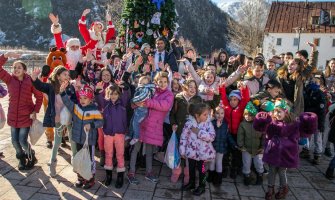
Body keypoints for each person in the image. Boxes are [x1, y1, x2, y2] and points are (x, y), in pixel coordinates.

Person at [253, 99, 317, 200]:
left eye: (279, 112)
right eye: (275, 111)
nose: (276, 114)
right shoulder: (272, 123)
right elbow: (261, 129)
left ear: (286, 112)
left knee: (282, 171)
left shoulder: (294, 124)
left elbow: (302, 134)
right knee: (272, 171)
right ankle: (270, 189)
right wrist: (263, 120)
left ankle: (284, 188)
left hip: (286, 154)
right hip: (273, 152)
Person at [127, 71, 174, 185]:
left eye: (165, 82)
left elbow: (164, 106)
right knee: (135, 149)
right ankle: (131, 172)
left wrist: (148, 102)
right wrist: (135, 103)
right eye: (160, 82)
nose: (162, 84)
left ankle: (149, 172)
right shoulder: (151, 90)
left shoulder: (169, 95)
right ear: (156, 82)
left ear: (168, 83)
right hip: (142, 124)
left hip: (153, 127)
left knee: (149, 151)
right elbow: (136, 100)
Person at [31, 66, 77, 177]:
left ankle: (75, 163)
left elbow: (75, 101)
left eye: (68, 75)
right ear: (57, 76)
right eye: (64, 74)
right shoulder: (51, 87)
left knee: (72, 139)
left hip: (70, 118)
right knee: (57, 141)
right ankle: (52, 163)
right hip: (57, 119)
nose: (67, 76)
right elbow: (40, 86)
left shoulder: (70, 87)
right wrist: (34, 78)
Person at [0, 52, 43, 170]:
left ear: (25, 70)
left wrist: (35, 111)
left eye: (19, 67)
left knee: (22, 141)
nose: (16, 69)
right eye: (14, 67)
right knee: (14, 142)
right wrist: (6, 55)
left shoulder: (30, 81)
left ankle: (31, 156)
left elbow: (39, 97)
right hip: (13, 116)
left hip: (26, 116)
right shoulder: (9, 79)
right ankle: (21, 159)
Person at [60, 83, 103, 189]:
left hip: (89, 140)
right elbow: (68, 103)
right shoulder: (77, 108)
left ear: (90, 99)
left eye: (85, 98)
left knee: (90, 159)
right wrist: (62, 92)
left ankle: (90, 178)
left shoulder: (94, 110)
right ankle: (80, 177)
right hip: (78, 139)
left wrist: (92, 125)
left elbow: (101, 122)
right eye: (81, 98)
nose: (82, 100)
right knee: (79, 158)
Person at [96, 83, 130, 188]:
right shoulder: (106, 103)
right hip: (108, 133)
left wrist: (126, 87)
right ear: (108, 94)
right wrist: (97, 91)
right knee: (108, 154)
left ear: (119, 94)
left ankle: (120, 176)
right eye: (111, 94)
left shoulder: (122, 103)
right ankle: (109, 175)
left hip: (119, 133)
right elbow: (99, 98)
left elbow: (127, 95)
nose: (113, 96)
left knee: (120, 154)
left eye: (115, 94)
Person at [169, 79, 202, 184]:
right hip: (179, 130)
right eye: (190, 86)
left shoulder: (198, 99)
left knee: (189, 154)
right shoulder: (178, 98)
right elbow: (172, 113)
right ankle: (176, 172)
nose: (193, 89)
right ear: (186, 87)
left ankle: (188, 174)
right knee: (178, 152)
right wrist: (173, 123)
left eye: (194, 87)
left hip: (192, 133)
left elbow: (201, 115)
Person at [179, 103, 216, 196]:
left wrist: (199, 132)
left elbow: (212, 137)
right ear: (197, 115)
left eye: (207, 114)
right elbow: (183, 137)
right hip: (191, 152)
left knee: (202, 170)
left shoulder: (208, 124)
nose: (207, 116)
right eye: (205, 114)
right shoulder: (189, 124)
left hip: (203, 154)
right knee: (191, 168)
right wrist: (182, 150)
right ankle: (191, 183)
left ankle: (202, 186)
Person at [219, 81, 250, 179]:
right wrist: (222, 87)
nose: (232, 101)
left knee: (237, 153)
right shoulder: (227, 107)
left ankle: (235, 168)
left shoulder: (240, 108)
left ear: (238, 101)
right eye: (231, 99)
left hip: (238, 135)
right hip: (228, 134)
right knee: (226, 152)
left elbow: (245, 99)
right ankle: (225, 168)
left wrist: (243, 89)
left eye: (235, 99)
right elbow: (223, 97)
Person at [237, 102, 264, 186]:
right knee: (246, 163)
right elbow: (240, 135)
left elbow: (263, 136)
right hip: (246, 148)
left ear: (254, 115)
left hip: (258, 149)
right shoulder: (243, 124)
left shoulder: (259, 124)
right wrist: (241, 145)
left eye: (250, 115)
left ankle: (260, 175)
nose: (247, 117)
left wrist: (263, 147)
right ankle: (246, 176)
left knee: (259, 163)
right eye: (246, 115)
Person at [128, 76, 155, 145]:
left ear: (147, 83)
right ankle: (129, 135)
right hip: (138, 108)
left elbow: (142, 97)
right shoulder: (142, 88)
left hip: (142, 110)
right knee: (132, 122)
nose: (141, 84)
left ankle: (136, 137)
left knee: (135, 123)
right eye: (140, 82)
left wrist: (133, 100)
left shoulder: (146, 89)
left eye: (144, 83)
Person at [207, 106, 230, 185]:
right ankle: (211, 176)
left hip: (221, 146)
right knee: (212, 162)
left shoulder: (226, 124)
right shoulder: (212, 123)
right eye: (217, 113)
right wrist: (216, 126)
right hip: (212, 146)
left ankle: (218, 179)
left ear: (224, 114)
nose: (220, 115)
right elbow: (210, 134)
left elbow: (228, 135)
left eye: (222, 113)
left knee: (219, 162)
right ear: (214, 114)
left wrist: (234, 144)